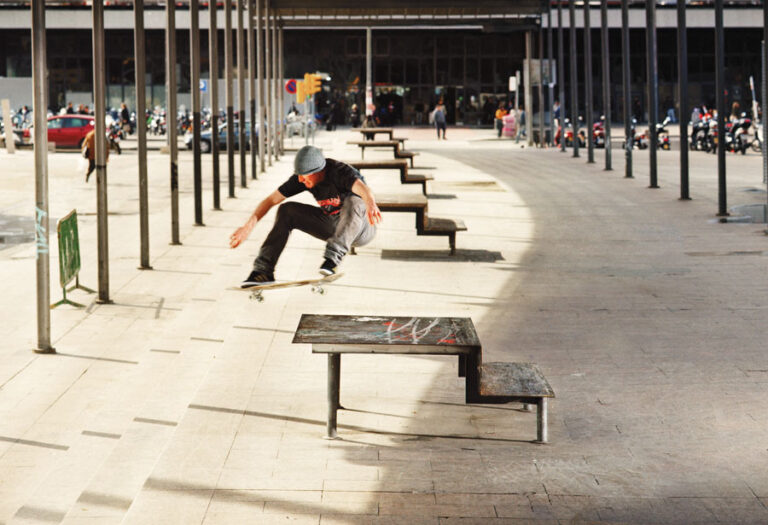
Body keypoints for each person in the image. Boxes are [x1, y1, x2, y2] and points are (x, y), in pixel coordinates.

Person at [230, 145, 382, 286]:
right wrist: (247, 227)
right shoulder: (301, 179)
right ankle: (263, 271)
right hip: (333, 225)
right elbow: (270, 200)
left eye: (305, 176)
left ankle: (332, 261)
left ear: (318, 170)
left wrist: (370, 203)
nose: (301, 180)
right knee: (287, 210)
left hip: (361, 228)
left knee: (354, 201)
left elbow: (362, 189)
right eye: (299, 176)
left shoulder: (340, 171)